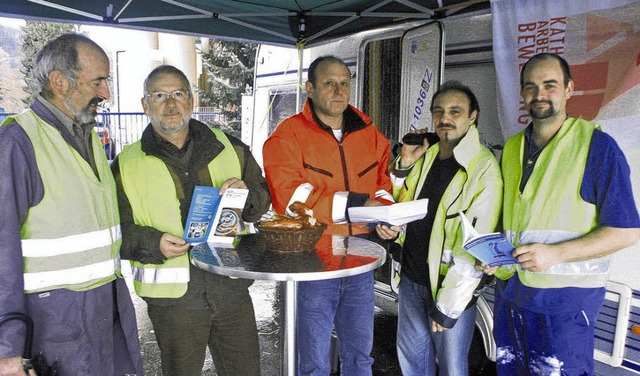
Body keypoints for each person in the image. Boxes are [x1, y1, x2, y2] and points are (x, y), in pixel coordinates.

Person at [112, 65, 271, 376]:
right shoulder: (124, 165)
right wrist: (152, 243)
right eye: (159, 96)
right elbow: (117, 232)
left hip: (230, 291)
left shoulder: (231, 148)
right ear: (145, 105)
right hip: (174, 304)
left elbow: (261, 203)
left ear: (192, 100)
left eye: (178, 94)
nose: (171, 105)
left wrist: (246, 193)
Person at [488, 52, 640, 375]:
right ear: (522, 94)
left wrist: (555, 254)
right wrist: (492, 255)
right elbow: (516, 222)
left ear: (569, 89)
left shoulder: (597, 147)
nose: (539, 94)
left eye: (550, 85)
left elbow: (627, 231)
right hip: (512, 298)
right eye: (531, 87)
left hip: (564, 308)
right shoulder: (512, 148)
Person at [0, 34, 143, 375]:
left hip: (105, 308)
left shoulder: (86, 134)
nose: (106, 93)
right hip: (54, 321)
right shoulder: (16, 143)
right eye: (98, 81)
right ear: (59, 81)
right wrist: (7, 351)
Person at [262, 55, 395, 375]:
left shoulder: (370, 133)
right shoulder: (288, 135)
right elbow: (289, 198)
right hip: (313, 255)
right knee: (313, 361)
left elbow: (383, 184)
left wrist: (386, 216)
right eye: (329, 83)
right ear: (309, 88)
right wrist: (358, 205)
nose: (339, 90)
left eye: (345, 83)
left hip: (361, 254)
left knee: (360, 356)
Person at [389, 80, 502, 375]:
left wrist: (449, 308)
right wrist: (402, 167)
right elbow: (400, 203)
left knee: (452, 368)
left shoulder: (484, 169)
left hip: (448, 291)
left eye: (455, 111)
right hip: (412, 281)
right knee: (413, 364)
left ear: (472, 116)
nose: (445, 119)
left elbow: (474, 247)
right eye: (438, 112)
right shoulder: (426, 155)